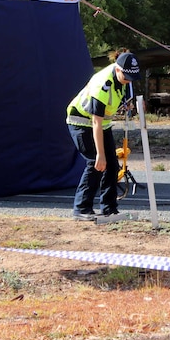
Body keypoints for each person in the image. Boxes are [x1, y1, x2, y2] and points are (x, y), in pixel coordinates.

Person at [66, 50, 141, 221]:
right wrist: (100, 154)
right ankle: (81, 208)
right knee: (96, 163)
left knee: (113, 166)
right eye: (127, 76)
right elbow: (96, 122)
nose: (129, 81)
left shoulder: (126, 78)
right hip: (81, 122)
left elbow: (120, 96)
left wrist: (126, 104)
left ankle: (109, 208)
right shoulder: (102, 83)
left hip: (103, 125)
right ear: (117, 70)